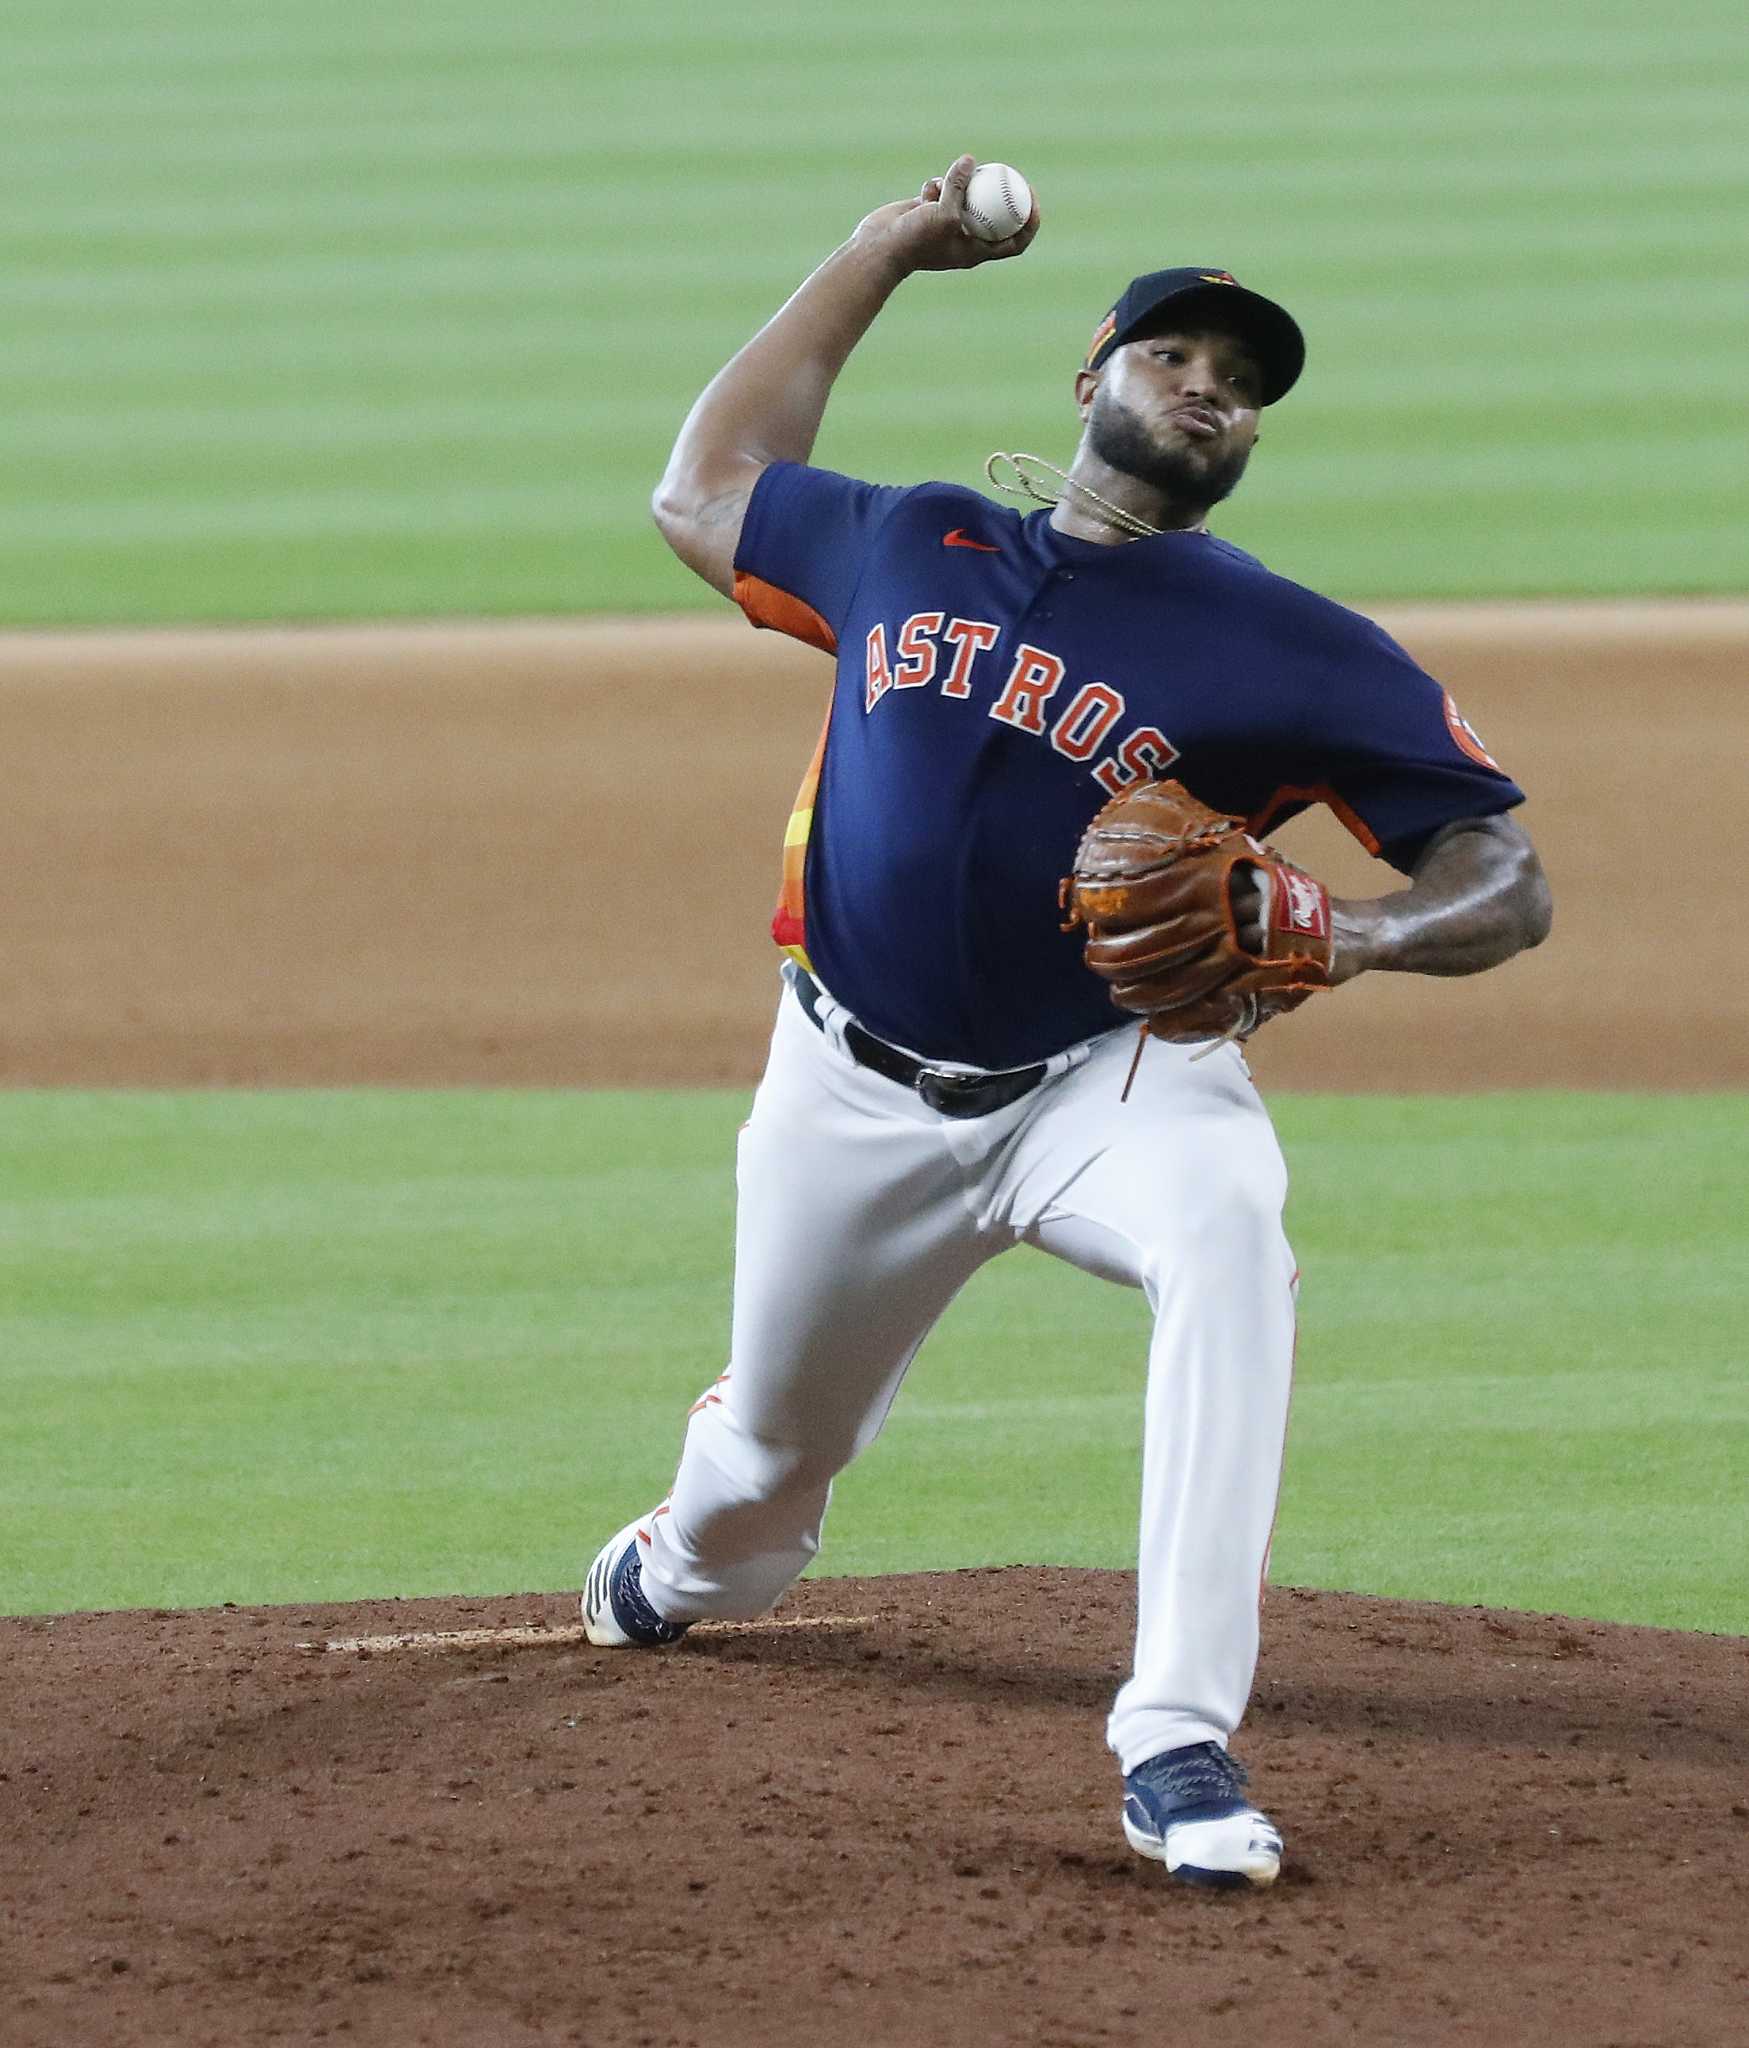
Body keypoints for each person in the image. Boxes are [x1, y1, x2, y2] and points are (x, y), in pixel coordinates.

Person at [582, 156, 1552, 1889]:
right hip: (847, 1089)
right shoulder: (906, 538)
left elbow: (1506, 877)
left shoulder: (1294, 647)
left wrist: (1352, 928)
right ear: (1091, 374)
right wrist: (888, 243)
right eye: (1180, 356)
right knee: (759, 1488)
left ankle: (1174, 1735)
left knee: (1233, 1235)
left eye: (1242, 386)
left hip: (1113, 1075)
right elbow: (704, 485)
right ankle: (679, 1561)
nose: (1212, 390)